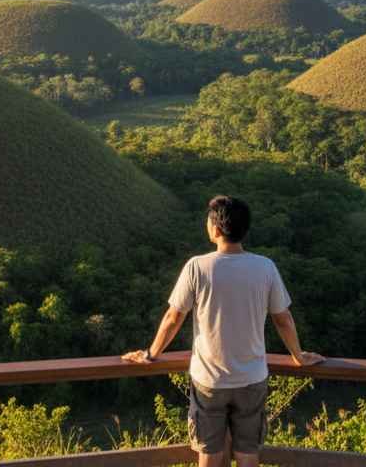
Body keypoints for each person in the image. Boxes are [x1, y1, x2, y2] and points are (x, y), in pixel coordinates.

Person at [123, 195, 324, 467]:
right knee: (248, 453)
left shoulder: (197, 266)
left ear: (216, 229)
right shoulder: (265, 267)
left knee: (209, 452)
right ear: (244, 229)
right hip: (252, 378)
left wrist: (151, 353)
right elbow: (283, 319)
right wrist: (298, 355)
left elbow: (173, 317)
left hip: (209, 380)